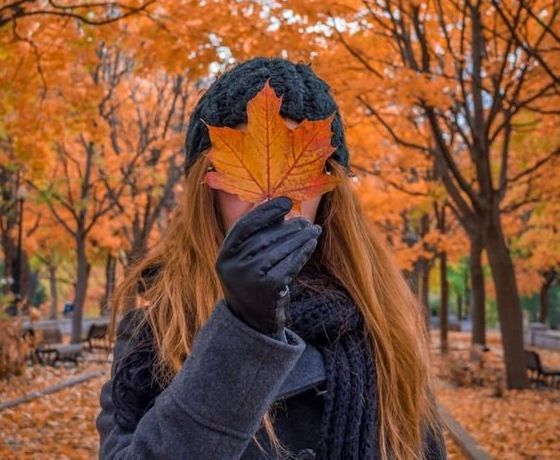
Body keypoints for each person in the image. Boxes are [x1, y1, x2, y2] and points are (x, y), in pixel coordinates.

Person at [95, 56, 448, 460]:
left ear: (328, 188)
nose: (269, 197)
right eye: (237, 170)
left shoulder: (385, 325)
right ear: (204, 188)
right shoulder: (156, 328)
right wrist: (242, 330)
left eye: (297, 167)